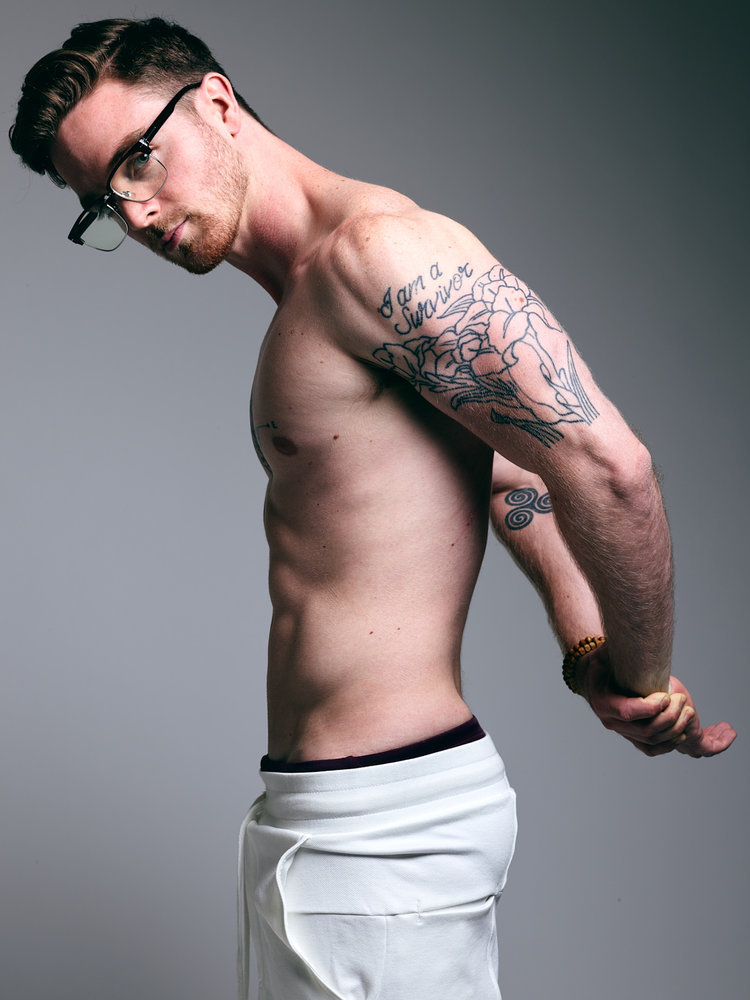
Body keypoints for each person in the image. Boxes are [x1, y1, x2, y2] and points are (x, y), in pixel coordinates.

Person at [10, 17, 736, 1000]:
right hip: (316, 824)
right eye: (103, 201)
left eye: (138, 160)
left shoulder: (375, 256)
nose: (134, 212)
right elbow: (510, 469)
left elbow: (609, 468)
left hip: (388, 833)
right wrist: (588, 650)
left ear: (216, 102)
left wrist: (643, 674)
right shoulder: (310, 294)